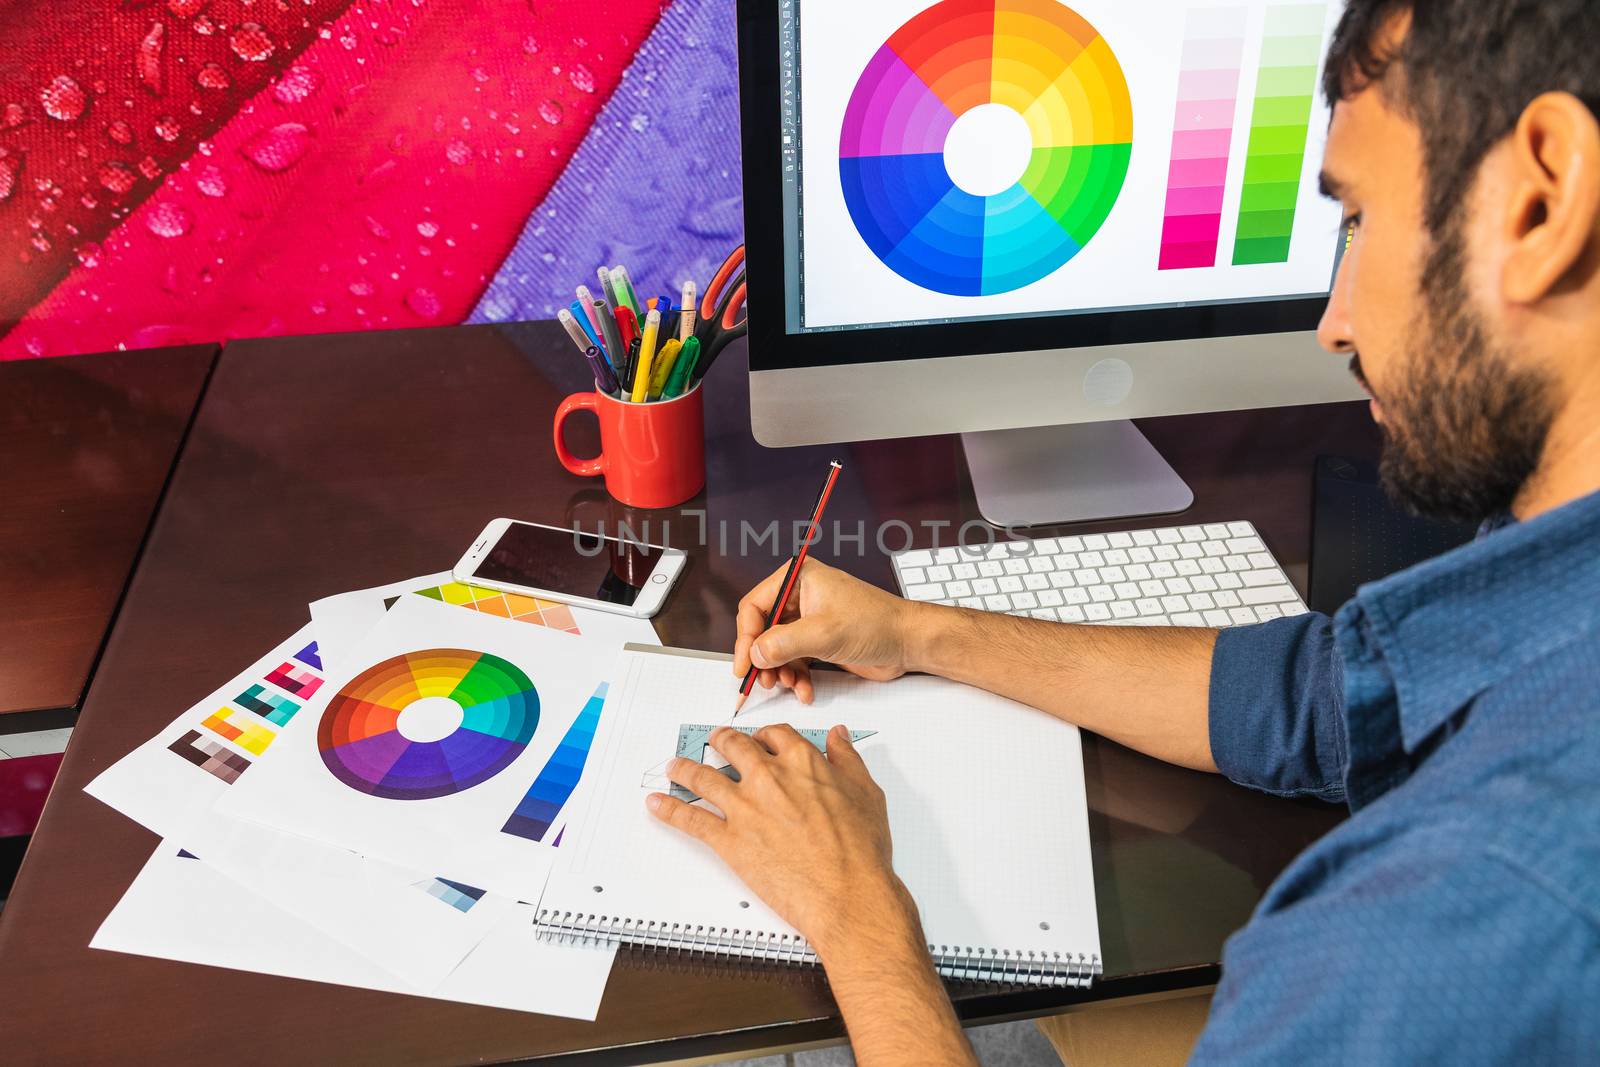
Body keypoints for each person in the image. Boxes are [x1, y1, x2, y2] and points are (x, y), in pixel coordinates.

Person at [645, 0, 1600, 1062]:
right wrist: (919, 633)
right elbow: (1322, 700)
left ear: (1542, 197)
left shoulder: (1436, 923)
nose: (1331, 322)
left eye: (1362, 218)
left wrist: (854, 910)